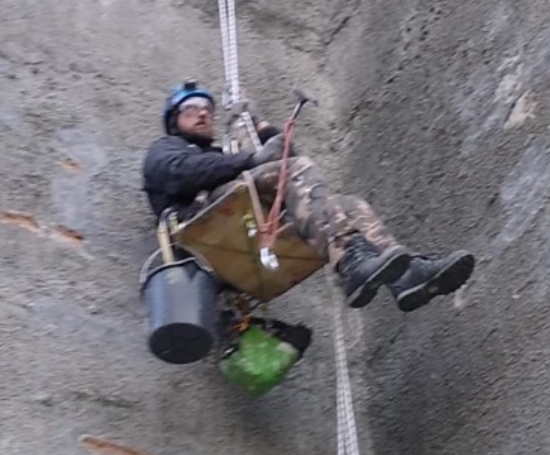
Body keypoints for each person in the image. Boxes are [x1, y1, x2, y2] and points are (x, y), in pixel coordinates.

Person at [142, 83, 474, 311]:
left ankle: (407, 276)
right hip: (203, 226)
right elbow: (180, 173)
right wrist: (251, 160)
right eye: (192, 108)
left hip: (243, 224)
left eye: (207, 109)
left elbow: (281, 165)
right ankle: (350, 263)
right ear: (174, 120)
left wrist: (257, 125)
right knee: (292, 169)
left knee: (350, 206)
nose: (203, 114)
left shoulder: (219, 154)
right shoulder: (167, 150)